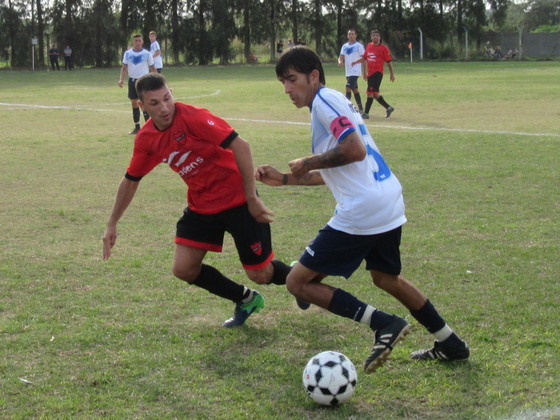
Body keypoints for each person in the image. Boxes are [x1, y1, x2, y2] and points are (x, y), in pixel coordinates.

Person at [256, 46, 469, 373]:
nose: (286, 89)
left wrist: (307, 161)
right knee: (386, 278)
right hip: (387, 198)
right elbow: (341, 169)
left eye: (291, 80)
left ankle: (384, 323)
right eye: (282, 82)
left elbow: (352, 150)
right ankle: (450, 342)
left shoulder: (325, 101)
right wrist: (286, 179)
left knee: (297, 282)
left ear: (313, 76)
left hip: (364, 209)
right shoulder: (332, 103)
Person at [103, 73, 293, 328]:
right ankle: (245, 299)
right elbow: (131, 179)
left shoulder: (193, 117)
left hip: (238, 199)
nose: (165, 107)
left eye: (167, 98)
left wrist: (251, 198)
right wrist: (112, 223)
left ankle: (299, 277)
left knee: (261, 274)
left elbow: (242, 146)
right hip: (202, 206)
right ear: (142, 106)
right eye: (155, 103)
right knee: (184, 269)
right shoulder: (147, 139)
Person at [351, 30, 395, 119]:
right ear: (371, 37)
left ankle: (366, 113)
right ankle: (388, 108)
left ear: (380, 37)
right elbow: (364, 57)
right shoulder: (369, 46)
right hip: (370, 74)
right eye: (373, 35)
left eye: (377, 35)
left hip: (377, 73)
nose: (375, 37)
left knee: (370, 93)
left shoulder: (383, 48)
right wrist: (356, 62)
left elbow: (389, 62)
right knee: (375, 94)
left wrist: (392, 74)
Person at [118, 34, 156, 135]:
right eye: (136, 41)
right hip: (132, 81)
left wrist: (157, 80)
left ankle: (149, 127)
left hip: (144, 81)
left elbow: (152, 68)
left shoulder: (147, 54)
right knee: (134, 102)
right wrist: (121, 79)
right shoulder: (127, 53)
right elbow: (124, 67)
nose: (138, 42)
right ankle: (137, 127)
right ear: (133, 42)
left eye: (139, 40)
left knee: (144, 103)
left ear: (142, 42)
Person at [338, 29, 365, 114]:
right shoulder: (344, 46)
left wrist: (365, 72)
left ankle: (345, 108)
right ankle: (360, 108)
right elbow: (341, 56)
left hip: (355, 71)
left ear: (356, 35)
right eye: (349, 34)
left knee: (348, 87)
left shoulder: (359, 46)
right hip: (348, 71)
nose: (351, 36)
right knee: (355, 90)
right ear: (347, 36)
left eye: (353, 34)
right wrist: (340, 61)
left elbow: (364, 58)